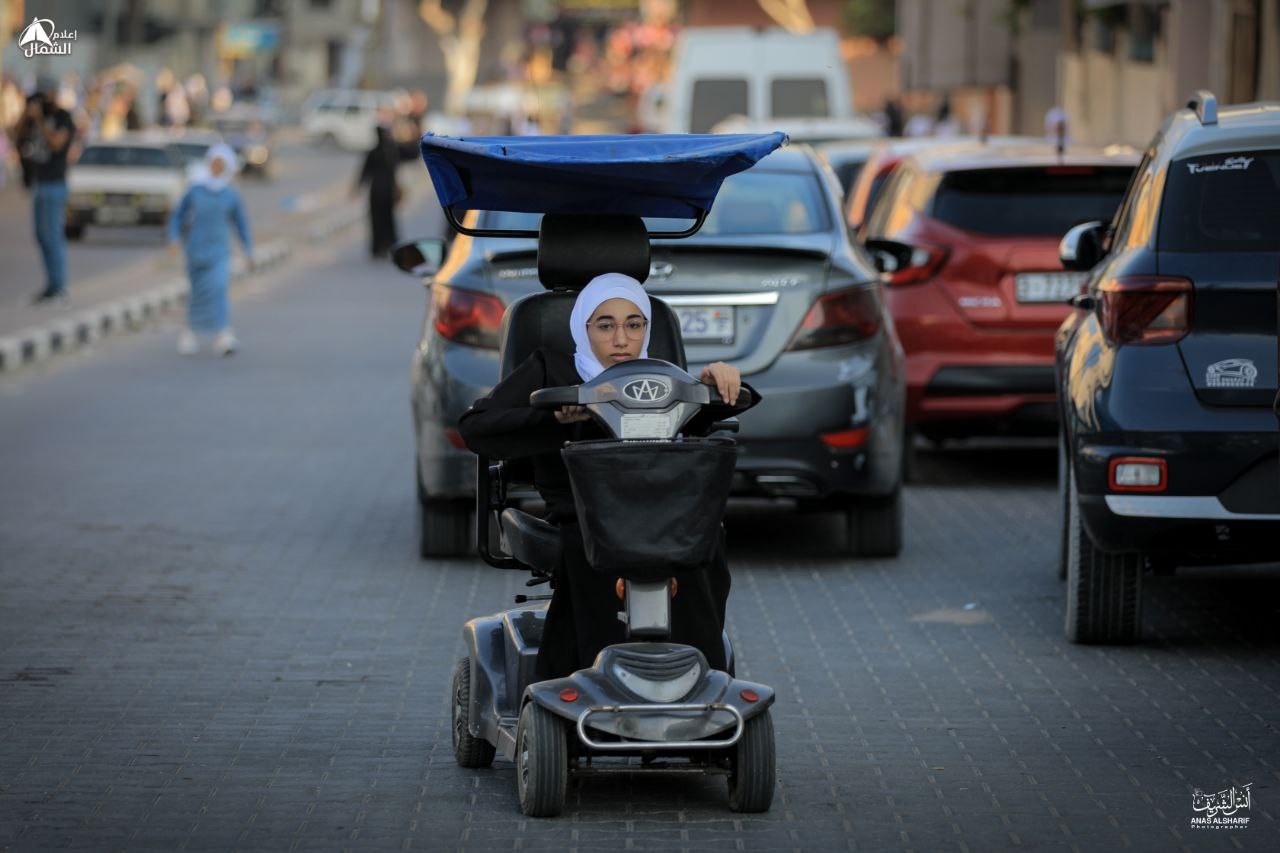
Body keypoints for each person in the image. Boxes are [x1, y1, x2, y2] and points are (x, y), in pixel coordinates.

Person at [457, 273, 758, 679]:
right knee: (596, 549)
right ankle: (587, 683)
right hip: (582, 511)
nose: (621, 339)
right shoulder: (553, 368)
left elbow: (707, 416)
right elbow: (477, 428)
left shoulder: (662, 375)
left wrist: (721, 381)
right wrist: (554, 419)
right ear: (583, 328)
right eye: (605, 325)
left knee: (704, 542)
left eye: (634, 325)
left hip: (661, 508)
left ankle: (698, 680)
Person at [167, 145, 253, 356]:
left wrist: (248, 250)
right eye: (214, 163)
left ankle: (223, 334)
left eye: (221, 164)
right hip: (196, 249)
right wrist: (174, 239)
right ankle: (190, 333)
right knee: (197, 293)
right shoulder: (195, 189)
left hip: (220, 251)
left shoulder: (230, 194)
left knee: (218, 288)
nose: (216, 167)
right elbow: (177, 216)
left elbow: (241, 224)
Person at [14, 80, 75, 304]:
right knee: (41, 236)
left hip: (54, 184)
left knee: (53, 236)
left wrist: (39, 119)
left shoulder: (63, 117)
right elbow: (16, 138)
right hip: (38, 183)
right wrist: (26, 115)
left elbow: (57, 144)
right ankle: (51, 285)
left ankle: (60, 287)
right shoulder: (32, 119)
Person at [352, 111, 401, 260]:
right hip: (388, 191)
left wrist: (357, 189)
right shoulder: (392, 150)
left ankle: (378, 248)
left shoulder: (374, 152)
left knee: (376, 220)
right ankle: (390, 246)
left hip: (376, 192)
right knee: (388, 219)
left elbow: (364, 173)